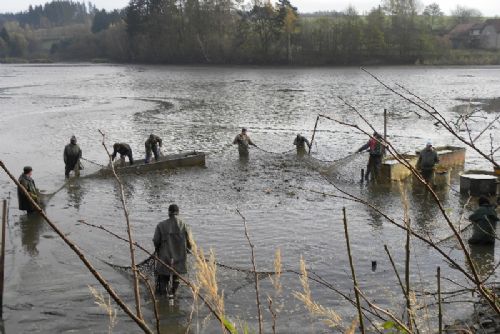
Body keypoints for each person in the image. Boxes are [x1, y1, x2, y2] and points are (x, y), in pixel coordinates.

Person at [153, 204, 192, 298]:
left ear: (168, 213)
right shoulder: (185, 225)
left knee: (163, 278)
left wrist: (158, 250)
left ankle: (163, 298)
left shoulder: (160, 225)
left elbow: (156, 240)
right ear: (178, 213)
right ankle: (173, 295)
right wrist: (187, 249)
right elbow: (190, 243)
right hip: (179, 257)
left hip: (164, 257)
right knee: (176, 277)